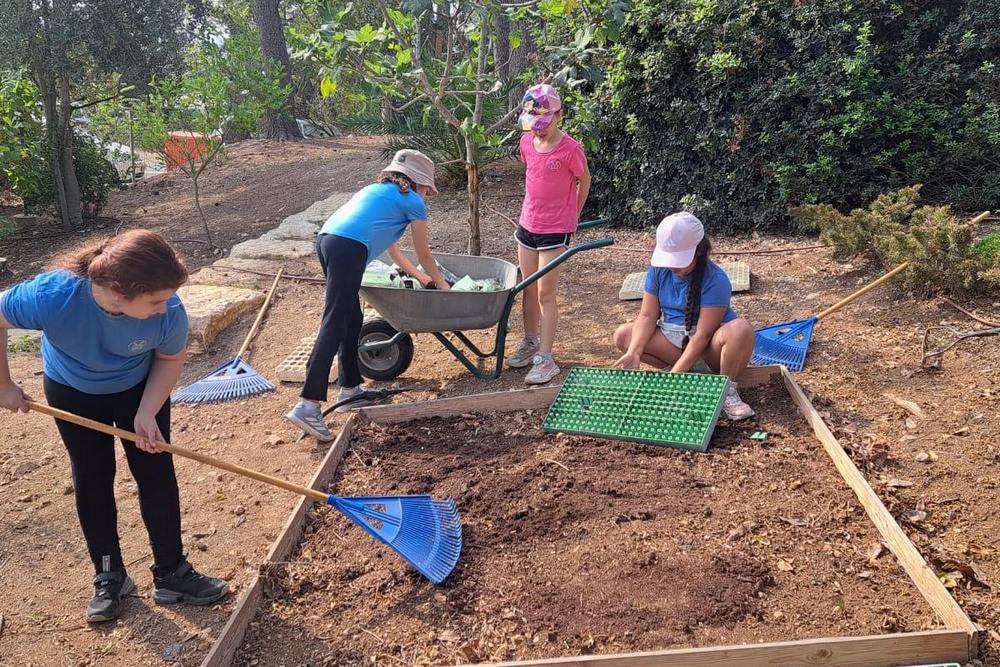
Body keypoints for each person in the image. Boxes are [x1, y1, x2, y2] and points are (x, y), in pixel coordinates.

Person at [0, 230, 229, 623]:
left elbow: (170, 360)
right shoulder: (53, 296)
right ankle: (110, 574)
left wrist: (146, 412)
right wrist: (3, 385)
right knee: (92, 476)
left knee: (155, 471)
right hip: (73, 390)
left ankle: (172, 572)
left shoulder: (169, 311)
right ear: (119, 291)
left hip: (139, 389)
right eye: (154, 299)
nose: (165, 307)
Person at [286, 149, 449, 441]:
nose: (427, 195)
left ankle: (350, 387)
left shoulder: (378, 191)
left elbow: (394, 249)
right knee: (335, 320)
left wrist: (422, 278)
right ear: (418, 183)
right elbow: (424, 253)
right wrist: (445, 287)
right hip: (348, 248)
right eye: (427, 188)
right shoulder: (412, 201)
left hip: (327, 241)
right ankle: (307, 404)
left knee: (351, 315)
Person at [612, 212, 756, 420]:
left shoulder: (715, 279)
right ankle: (689, 377)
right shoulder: (658, 270)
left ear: (699, 251)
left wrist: (673, 378)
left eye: (679, 260)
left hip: (710, 350)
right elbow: (647, 315)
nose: (673, 266)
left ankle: (726, 390)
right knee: (624, 335)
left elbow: (702, 336)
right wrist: (634, 352)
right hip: (674, 340)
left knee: (740, 329)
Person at [507, 83, 592, 384]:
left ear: (560, 116)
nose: (538, 131)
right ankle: (530, 342)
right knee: (527, 288)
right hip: (527, 225)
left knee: (546, 292)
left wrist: (574, 215)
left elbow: (584, 180)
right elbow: (532, 173)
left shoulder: (571, 149)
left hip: (555, 230)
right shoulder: (527, 143)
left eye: (544, 124)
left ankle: (546, 357)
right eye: (534, 125)